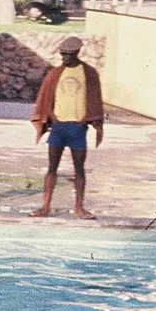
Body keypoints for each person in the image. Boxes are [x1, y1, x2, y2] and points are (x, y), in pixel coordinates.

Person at [30, 35, 104, 220]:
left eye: (68, 54)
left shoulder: (88, 73)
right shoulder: (55, 73)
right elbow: (46, 96)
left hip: (77, 128)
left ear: (77, 53)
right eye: (62, 54)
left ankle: (79, 208)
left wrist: (86, 120)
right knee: (51, 168)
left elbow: (95, 99)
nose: (64, 58)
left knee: (79, 169)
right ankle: (45, 207)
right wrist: (51, 117)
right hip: (59, 127)